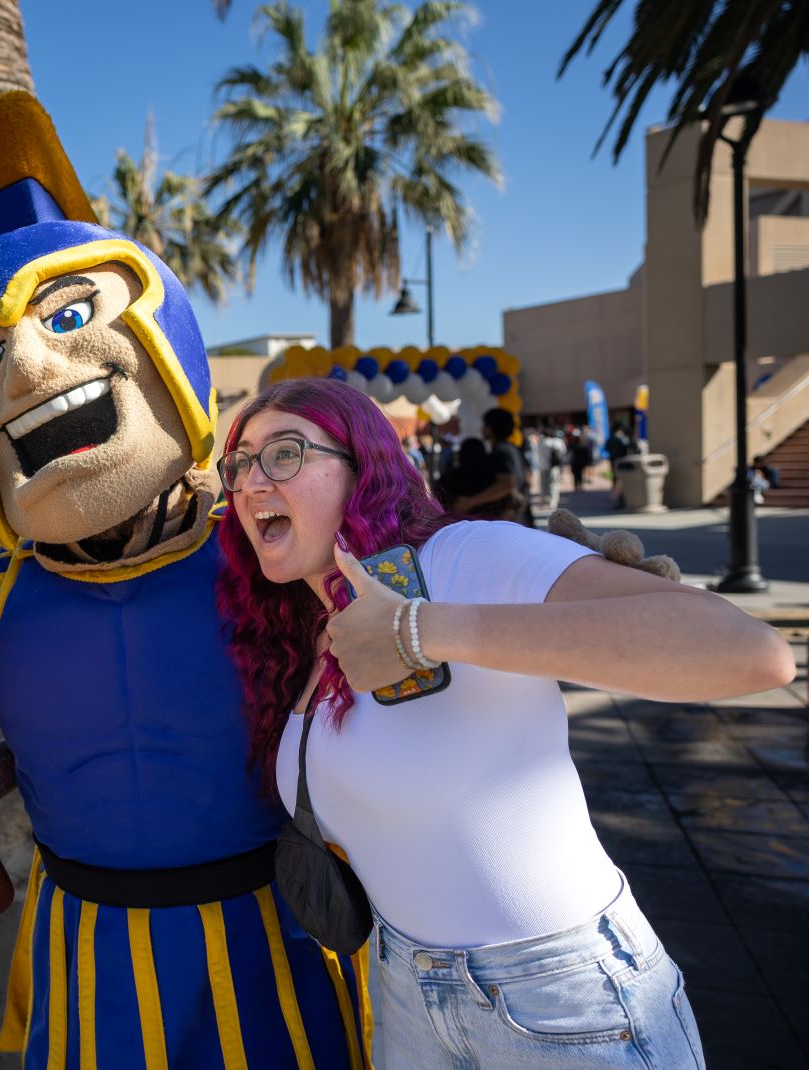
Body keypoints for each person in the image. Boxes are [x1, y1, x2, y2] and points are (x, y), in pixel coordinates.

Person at [0, 90, 364, 1068]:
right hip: (86, 955)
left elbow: (429, 601)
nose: (25, 367)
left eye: (68, 315)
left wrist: (541, 573)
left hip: (273, 944)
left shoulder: (275, 555)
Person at [216, 377, 795, 1069]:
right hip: (405, 989)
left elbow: (752, 652)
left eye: (284, 454)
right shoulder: (301, 626)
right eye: (239, 464)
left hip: (563, 997)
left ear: (361, 464)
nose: (252, 483)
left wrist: (422, 629)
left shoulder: (462, 556)